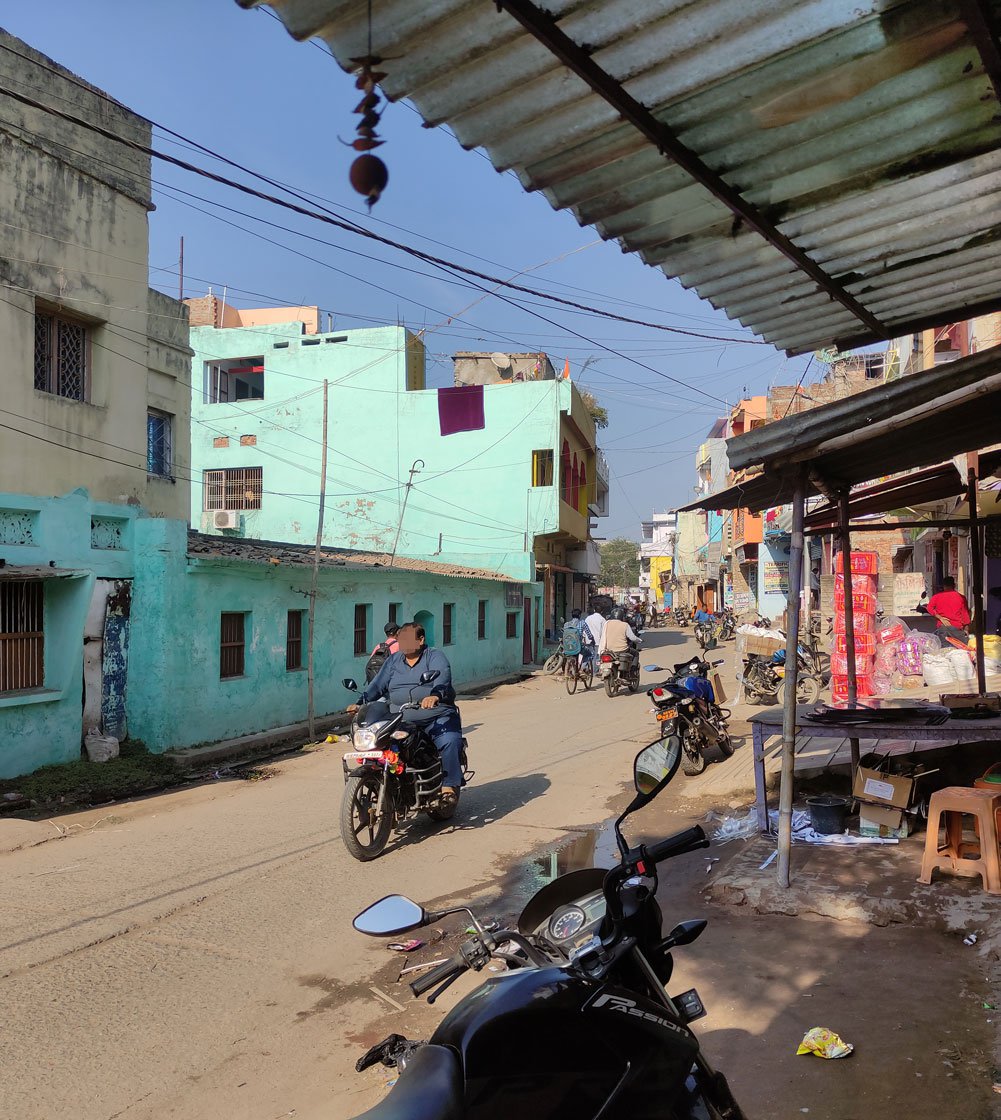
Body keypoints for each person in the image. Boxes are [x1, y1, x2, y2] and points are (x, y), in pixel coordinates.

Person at [349, 622, 464, 806]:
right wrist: (360, 703)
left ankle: (449, 786)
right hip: (400, 718)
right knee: (382, 745)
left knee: (450, 740)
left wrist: (434, 695)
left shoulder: (435, 657)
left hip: (435, 715)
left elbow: (443, 677)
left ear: (421, 640)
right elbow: (378, 685)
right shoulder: (393, 661)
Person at [924, 576, 971, 646]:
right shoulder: (961, 597)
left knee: (943, 651)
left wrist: (940, 617)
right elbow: (965, 615)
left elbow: (929, 608)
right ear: (954, 585)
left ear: (943, 586)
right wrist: (966, 630)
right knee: (960, 651)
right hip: (957, 629)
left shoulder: (937, 597)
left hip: (942, 628)